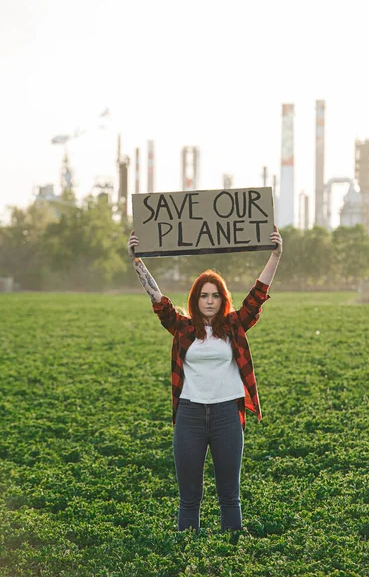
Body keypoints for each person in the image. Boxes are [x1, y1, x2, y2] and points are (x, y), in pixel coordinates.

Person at [127, 226, 283, 534]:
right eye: (203, 295)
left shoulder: (236, 325)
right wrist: (137, 262)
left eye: (215, 295)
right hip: (190, 415)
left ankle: (231, 556)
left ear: (223, 299)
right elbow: (158, 300)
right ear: (195, 299)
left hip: (227, 414)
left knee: (230, 497)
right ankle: (187, 554)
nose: (209, 301)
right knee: (189, 499)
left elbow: (258, 295)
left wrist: (276, 254)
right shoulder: (183, 328)